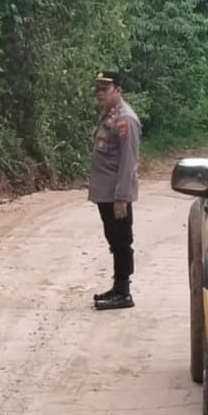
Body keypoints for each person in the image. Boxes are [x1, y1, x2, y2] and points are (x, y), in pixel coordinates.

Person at [89, 71, 142, 310]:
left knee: (121, 240)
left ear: (118, 91)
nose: (100, 94)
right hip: (105, 192)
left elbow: (128, 162)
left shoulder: (125, 120)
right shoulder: (110, 115)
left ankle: (124, 292)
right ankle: (117, 287)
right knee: (114, 239)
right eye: (98, 89)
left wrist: (121, 197)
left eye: (105, 89)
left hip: (115, 194)